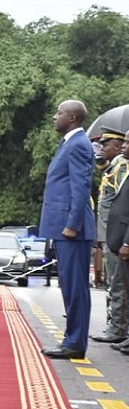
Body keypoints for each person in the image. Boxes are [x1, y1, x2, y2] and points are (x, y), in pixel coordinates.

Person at [39, 100, 95, 360]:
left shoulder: (78, 145)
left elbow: (81, 188)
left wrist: (72, 224)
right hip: (65, 228)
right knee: (70, 287)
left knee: (75, 288)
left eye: (59, 112)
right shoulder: (70, 143)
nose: (54, 116)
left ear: (72, 117)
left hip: (72, 229)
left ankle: (74, 342)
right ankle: (72, 340)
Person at [90, 126, 129, 344]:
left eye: (107, 145)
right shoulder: (114, 165)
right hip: (109, 234)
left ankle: (118, 330)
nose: (103, 148)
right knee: (114, 285)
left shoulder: (123, 166)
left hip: (117, 236)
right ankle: (115, 327)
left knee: (118, 285)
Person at [105, 128, 129, 355]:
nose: (124, 146)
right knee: (120, 286)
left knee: (122, 287)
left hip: (124, 240)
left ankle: (121, 330)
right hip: (116, 237)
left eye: (127, 143)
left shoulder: (123, 167)